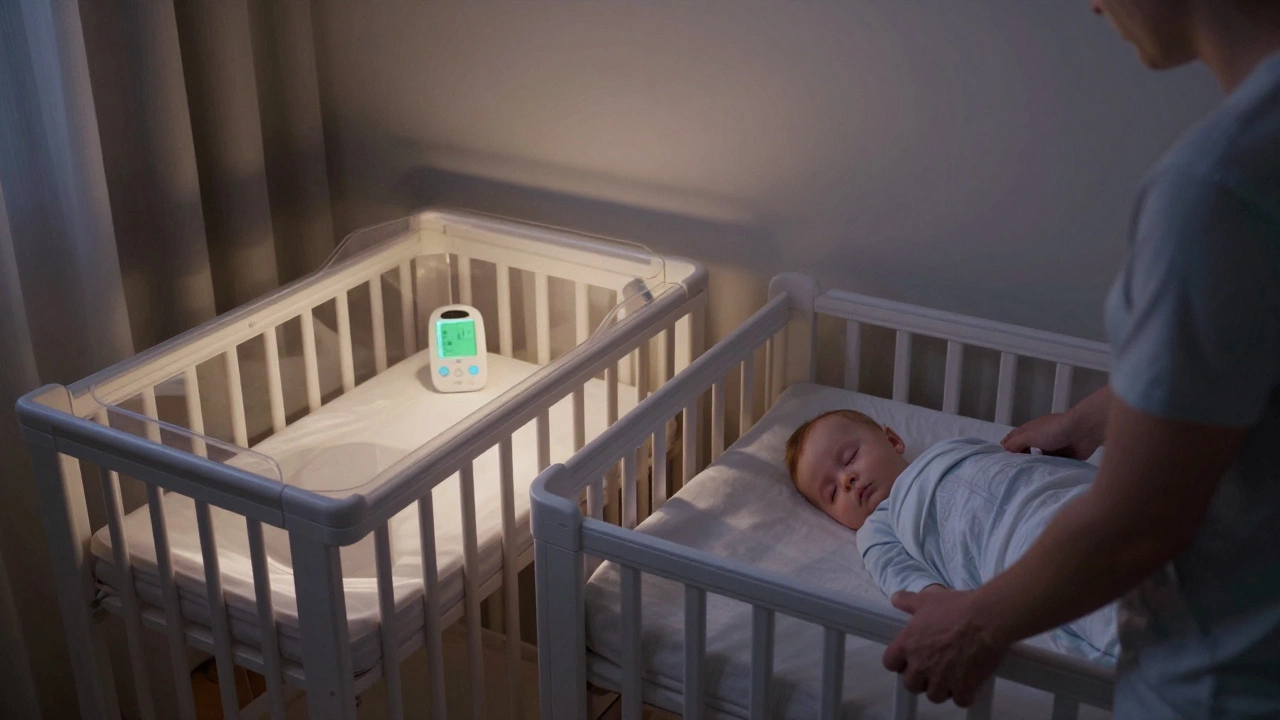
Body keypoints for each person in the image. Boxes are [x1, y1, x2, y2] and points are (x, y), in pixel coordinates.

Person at [881, 1, 1280, 716]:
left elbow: (1137, 523)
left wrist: (974, 622)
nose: (1093, 4)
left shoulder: (1217, 187)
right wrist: (1097, 417)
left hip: (1226, 676)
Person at [786, 409, 1119, 664]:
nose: (846, 480)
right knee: (1100, 600)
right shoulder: (877, 528)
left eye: (849, 458)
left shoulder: (952, 448)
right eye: (832, 493)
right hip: (1024, 552)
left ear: (893, 441)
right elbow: (902, 579)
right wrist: (937, 600)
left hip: (1063, 498)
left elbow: (1020, 464)